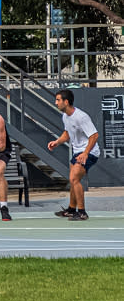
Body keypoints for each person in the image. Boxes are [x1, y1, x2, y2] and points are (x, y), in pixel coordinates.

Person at [47, 89, 99, 221]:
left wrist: (86, 153)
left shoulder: (81, 117)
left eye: (58, 100)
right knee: (73, 180)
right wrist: (57, 142)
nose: (56, 103)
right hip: (77, 152)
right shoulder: (65, 116)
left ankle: (82, 213)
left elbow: (94, 135)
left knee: (74, 179)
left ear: (66, 101)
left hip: (90, 152)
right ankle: (71, 210)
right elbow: (67, 133)